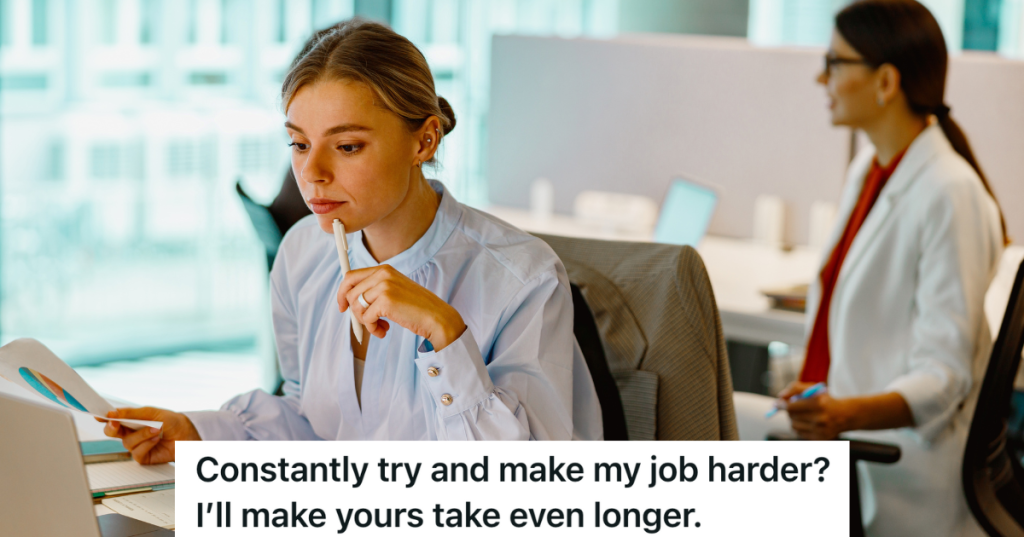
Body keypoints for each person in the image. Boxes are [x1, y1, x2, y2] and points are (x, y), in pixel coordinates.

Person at [102, 19, 603, 458]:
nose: (312, 172)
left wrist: (444, 332)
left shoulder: (522, 278)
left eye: (346, 146)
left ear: (424, 140)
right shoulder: (302, 253)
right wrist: (200, 433)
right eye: (298, 143)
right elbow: (313, 427)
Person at [735, 1, 1006, 535]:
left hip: (899, 472)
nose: (822, 77)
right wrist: (818, 396)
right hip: (843, 444)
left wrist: (845, 414)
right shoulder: (871, 167)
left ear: (885, 81)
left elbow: (944, 375)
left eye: (835, 62)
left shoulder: (950, 193)